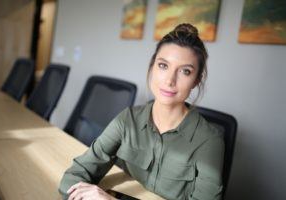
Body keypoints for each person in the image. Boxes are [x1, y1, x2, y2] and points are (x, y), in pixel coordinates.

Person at [59, 23, 224, 200]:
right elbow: (73, 178)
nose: (170, 80)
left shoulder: (209, 141)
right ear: (152, 66)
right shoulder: (127, 120)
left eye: (185, 71)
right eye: (163, 65)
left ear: (196, 80)